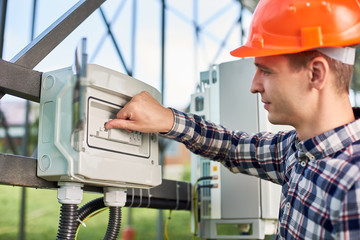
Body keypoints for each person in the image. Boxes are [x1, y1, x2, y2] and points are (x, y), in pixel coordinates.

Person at [105, 0, 360, 239]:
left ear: (316, 73)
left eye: (266, 71)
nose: (254, 85)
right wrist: (169, 120)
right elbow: (232, 146)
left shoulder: (353, 187)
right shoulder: (296, 152)